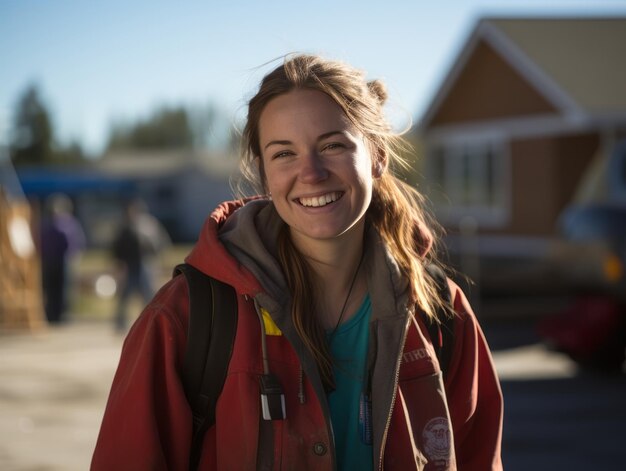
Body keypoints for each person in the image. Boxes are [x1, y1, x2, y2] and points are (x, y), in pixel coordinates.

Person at [92, 54, 503, 470]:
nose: (311, 172)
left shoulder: (439, 312)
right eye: (284, 153)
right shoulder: (187, 316)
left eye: (332, 145)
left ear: (377, 155)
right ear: (264, 172)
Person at [110, 198, 170, 332]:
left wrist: (158, 260)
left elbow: (161, 243)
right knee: (124, 296)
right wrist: (118, 264)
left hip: (146, 263)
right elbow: (116, 248)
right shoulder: (124, 227)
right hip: (129, 264)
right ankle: (120, 324)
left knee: (148, 295)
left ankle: (151, 323)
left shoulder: (149, 225)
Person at [40, 193, 85, 324]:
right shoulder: (51, 224)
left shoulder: (67, 223)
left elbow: (76, 243)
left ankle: (60, 314)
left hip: (62, 260)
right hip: (52, 261)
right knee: (53, 289)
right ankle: (53, 314)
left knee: (62, 289)